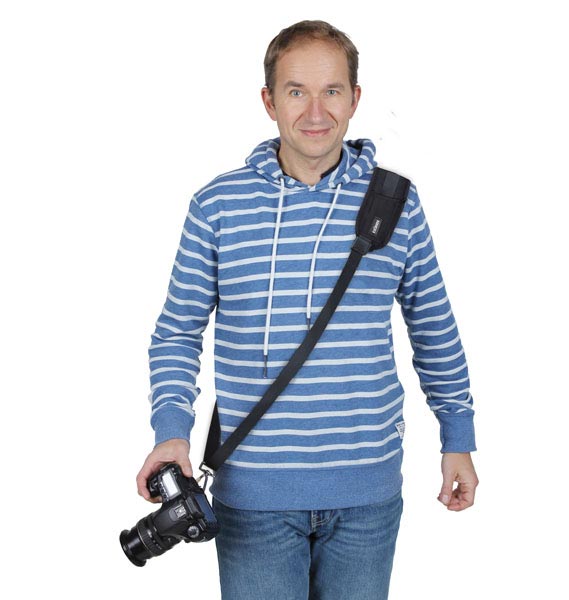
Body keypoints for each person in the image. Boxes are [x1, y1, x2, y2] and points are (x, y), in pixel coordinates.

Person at [136, 20, 479, 600]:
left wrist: (457, 437)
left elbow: (433, 326)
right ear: (269, 101)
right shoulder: (217, 205)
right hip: (253, 497)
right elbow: (177, 332)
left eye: (332, 91)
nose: (316, 111)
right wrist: (172, 434)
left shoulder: (395, 203)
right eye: (296, 91)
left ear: (355, 99)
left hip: (367, 494)